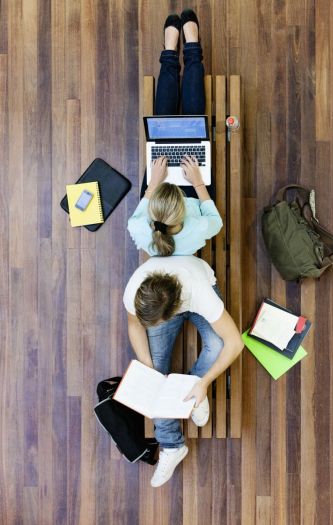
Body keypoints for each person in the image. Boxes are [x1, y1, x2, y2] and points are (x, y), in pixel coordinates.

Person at [123, 254, 244, 487]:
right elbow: (133, 325)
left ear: (169, 315)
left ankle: (194, 389)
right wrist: (148, 367)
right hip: (170, 300)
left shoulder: (201, 294)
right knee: (156, 374)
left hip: (195, 292)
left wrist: (204, 381)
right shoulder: (135, 292)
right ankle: (171, 445)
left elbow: (234, 342)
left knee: (217, 345)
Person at [127, 9, 222, 256]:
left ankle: (171, 51)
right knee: (192, 124)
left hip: (156, 189)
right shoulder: (197, 229)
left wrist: (154, 184)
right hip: (194, 188)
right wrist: (198, 184)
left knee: (163, 129)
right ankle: (191, 49)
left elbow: (140, 211)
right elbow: (215, 220)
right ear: (183, 213)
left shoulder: (141, 230)